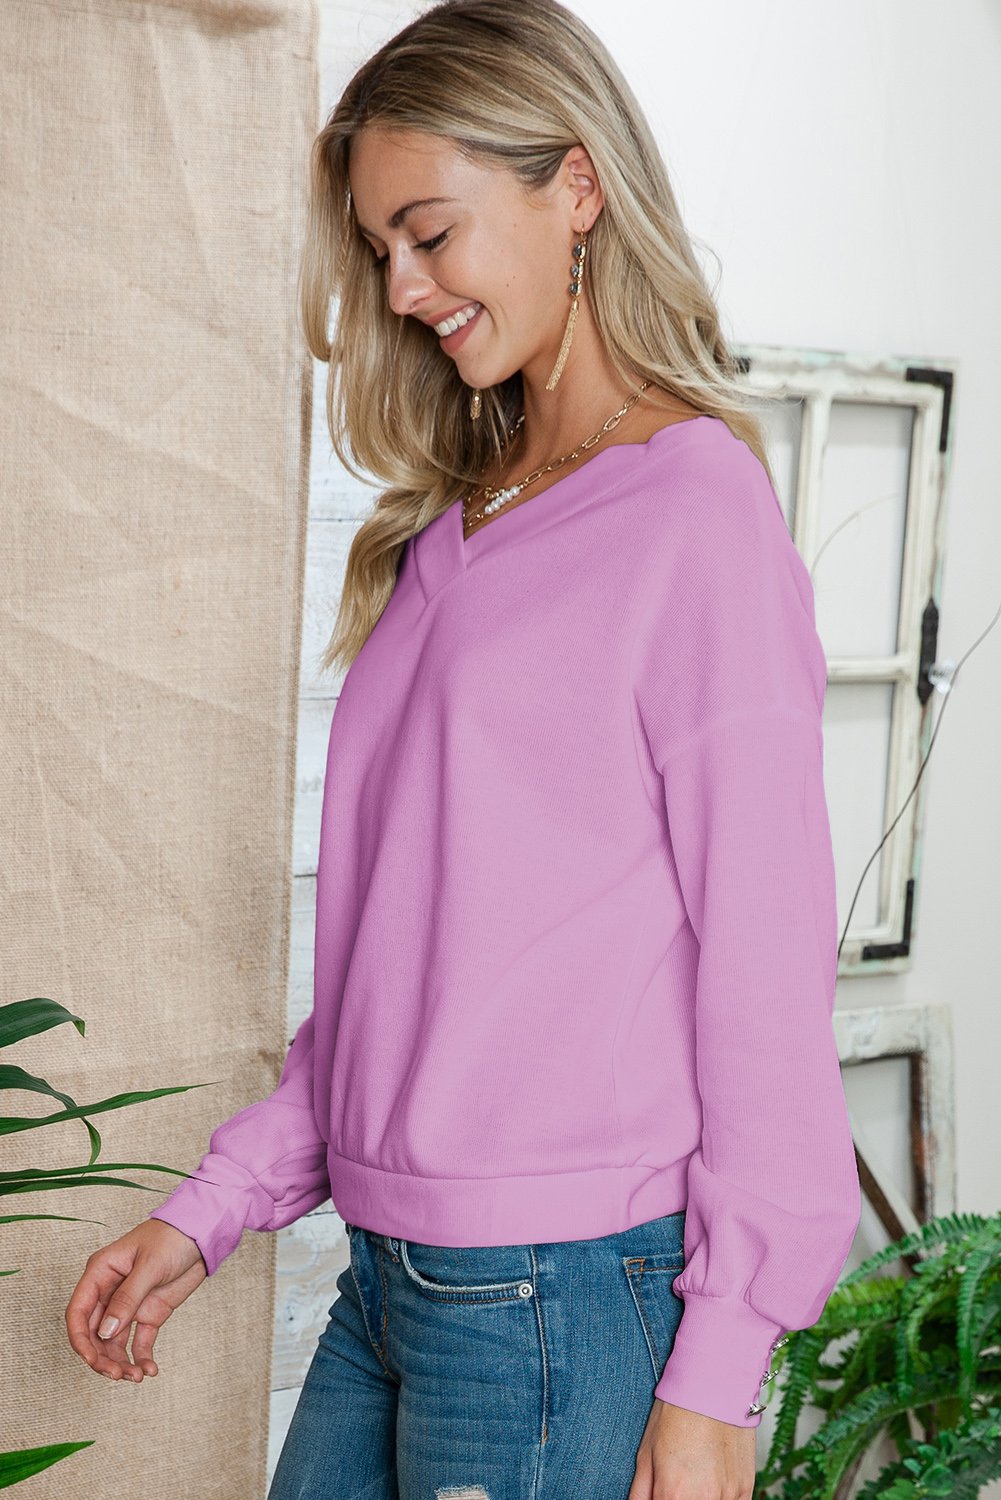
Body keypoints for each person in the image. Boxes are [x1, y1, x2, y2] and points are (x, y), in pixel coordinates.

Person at [65, 2, 862, 1496]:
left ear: (577, 187)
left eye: (429, 233)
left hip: (567, 1293)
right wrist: (215, 1205)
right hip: (390, 1278)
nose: (404, 287)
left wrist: (722, 1367)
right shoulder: (451, 526)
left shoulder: (693, 514)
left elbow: (764, 967)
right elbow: (404, 956)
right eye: (382, 249)